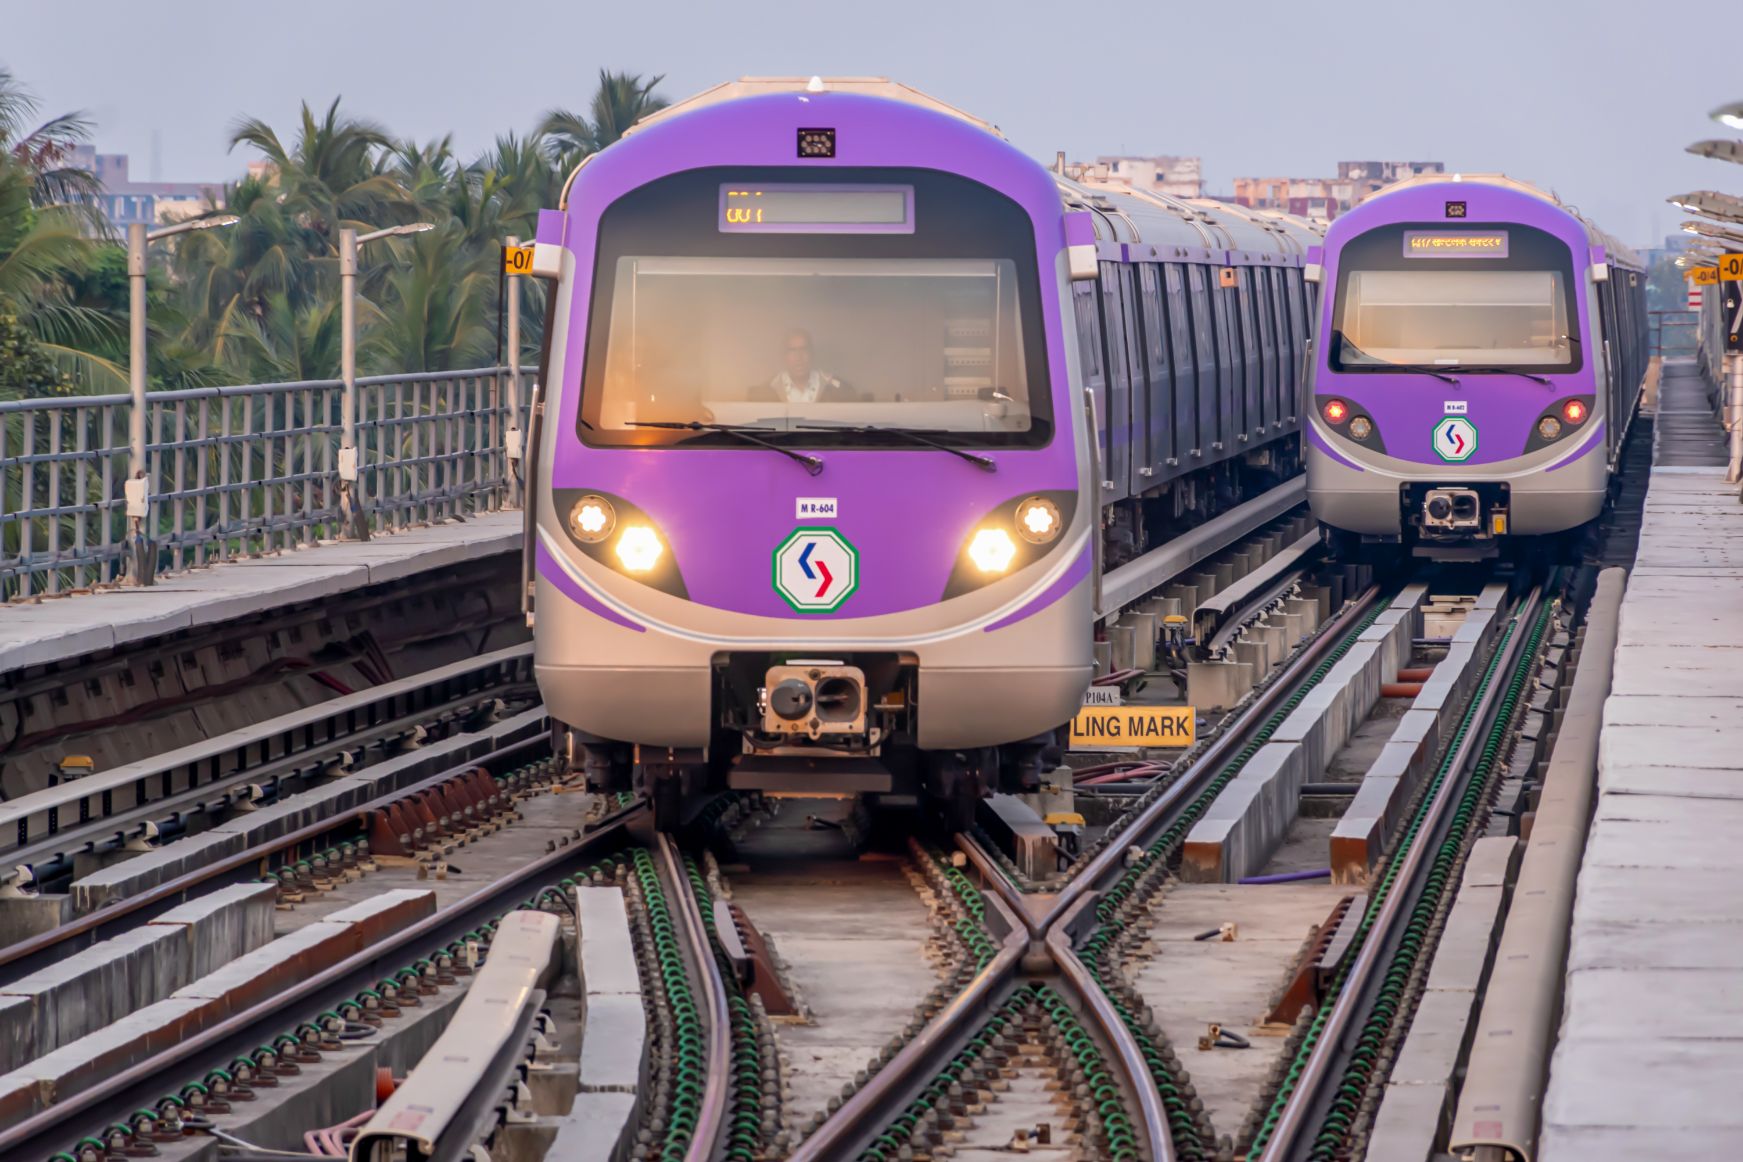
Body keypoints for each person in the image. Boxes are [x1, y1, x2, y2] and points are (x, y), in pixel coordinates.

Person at [769, 329, 849, 403]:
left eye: (804, 349)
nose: (798, 357)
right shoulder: (768, 389)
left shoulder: (838, 389)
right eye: (792, 350)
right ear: (784, 355)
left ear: (811, 353)